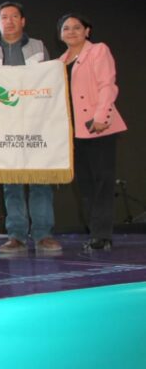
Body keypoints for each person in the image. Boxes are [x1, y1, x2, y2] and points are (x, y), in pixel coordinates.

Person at [0, 1, 61, 253]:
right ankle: (16, 235)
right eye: (4, 17)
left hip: (37, 123)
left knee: (40, 180)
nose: (10, 21)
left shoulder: (38, 47)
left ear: (23, 21)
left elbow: (52, 83)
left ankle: (43, 234)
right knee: (11, 184)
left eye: (15, 16)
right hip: (5, 126)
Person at [57, 13, 126, 251]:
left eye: (77, 27)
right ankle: (94, 233)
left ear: (87, 31)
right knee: (84, 185)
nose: (72, 31)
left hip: (98, 126)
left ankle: (102, 235)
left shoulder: (98, 51)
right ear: (60, 34)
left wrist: (101, 116)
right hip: (74, 132)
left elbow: (108, 84)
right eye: (66, 28)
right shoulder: (59, 62)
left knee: (102, 183)